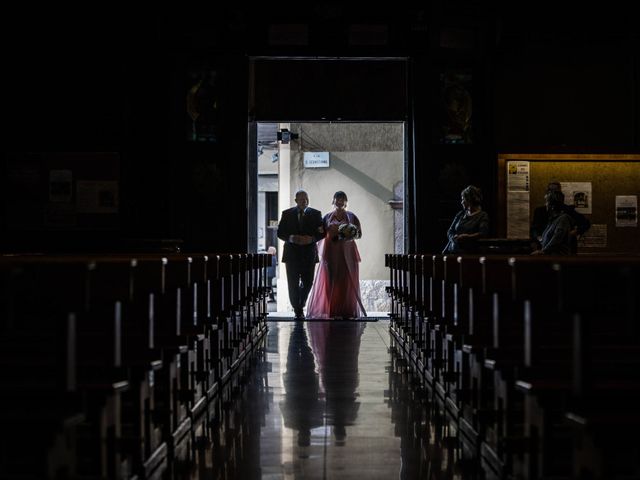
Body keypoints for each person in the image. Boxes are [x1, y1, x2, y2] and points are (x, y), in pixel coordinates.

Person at [306, 191, 366, 319]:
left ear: (346, 201)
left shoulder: (352, 216)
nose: (340, 202)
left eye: (342, 199)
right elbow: (320, 233)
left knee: (346, 283)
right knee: (331, 282)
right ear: (333, 201)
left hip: (348, 254)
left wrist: (350, 235)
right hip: (331, 254)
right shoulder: (327, 217)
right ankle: (331, 311)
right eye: (337, 199)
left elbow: (359, 234)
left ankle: (346, 312)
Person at [277, 190, 324, 319]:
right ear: (296, 200)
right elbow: (280, 232)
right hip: (292, 255)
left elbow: (322, 233)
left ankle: (300, 304)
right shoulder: (286, 214)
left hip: (309, 254)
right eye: (301, 199)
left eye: (306, 199)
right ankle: (298, 310)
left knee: (308, 282)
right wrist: (291, 238)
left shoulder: (316, 214)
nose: (304, 201)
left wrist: (312, 239)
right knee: (292, 283)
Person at [531, 182, 590, 254]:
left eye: (555, 190)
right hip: (546, 249)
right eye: (550, 190)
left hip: (559, 252)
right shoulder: (541, 211)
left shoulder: (566, 211)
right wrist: (540, 239)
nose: (553, 192)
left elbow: (557, 238)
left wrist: (573, 233)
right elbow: (534, 229)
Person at [442, 185, 489, 254]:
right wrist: (453, 237)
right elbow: (450, 231)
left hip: (470, 253)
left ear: (469, 200)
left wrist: (467, 237)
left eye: (463, 199)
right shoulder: (460, 214)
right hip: (453, 251)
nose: (461, 202)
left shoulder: (482, 215)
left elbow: (483, 233)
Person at [531, 190, 572, 255]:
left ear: (552, 206)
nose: (545, 204)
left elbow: (556, 239)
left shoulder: (563, 219)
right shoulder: (552, 220)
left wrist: (543, 251)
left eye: (547, 202)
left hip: (559, 259)